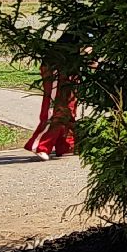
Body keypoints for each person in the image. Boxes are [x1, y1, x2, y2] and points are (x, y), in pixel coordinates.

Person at [25, 29, 92, 161]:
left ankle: (66, 145)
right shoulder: (90, 27)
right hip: (57, 65)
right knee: (56, 107)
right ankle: (40, 145)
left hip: (72, 68)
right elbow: (88, 52)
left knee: (70, 106)